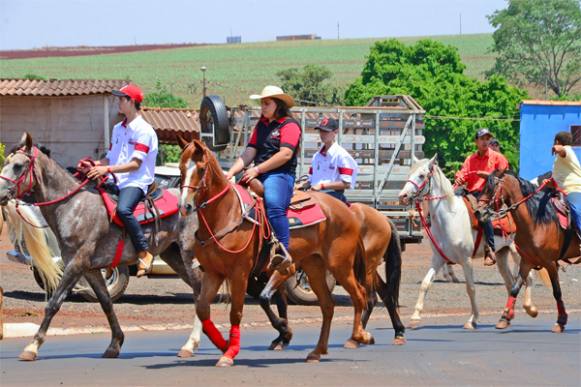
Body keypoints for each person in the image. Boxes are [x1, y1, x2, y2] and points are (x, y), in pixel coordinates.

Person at [225, 85, 301, 274]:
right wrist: (230, 172)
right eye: (262, 104)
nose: (263, 107)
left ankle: (283, 252)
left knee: (274, 205)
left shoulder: (290, 125)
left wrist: (257, 170)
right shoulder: (262, 125)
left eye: (267, 103)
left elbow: (285, 154)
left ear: (279, 105)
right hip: (257, 172)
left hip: (279, 174)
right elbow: (249, 151)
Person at [85, 83, 159, 277]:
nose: (118, 102)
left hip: (136, 181)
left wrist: (106, 169)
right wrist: (94, 164)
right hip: (116, 180)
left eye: (121, 98)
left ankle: (144, 252)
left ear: (131, 102)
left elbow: (135, 164)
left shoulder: (144, 131)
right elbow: (110, 157)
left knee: (123, 210)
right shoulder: (118, 128)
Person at [454, 128, 509, 266]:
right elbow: (463, 173)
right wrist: (460, 178)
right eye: (482, 139)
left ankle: (490, 249)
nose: (485, 142)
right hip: (471, 192)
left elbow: (504, 169)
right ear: (476, 141)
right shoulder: (470, 159)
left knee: (482, 212)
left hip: (488, 193)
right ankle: (452, 244)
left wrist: (489, 176)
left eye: (487, 139)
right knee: (453, 202)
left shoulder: (496, 157)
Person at [304, 117, 358, 203]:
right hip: (315, 195)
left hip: (333, 197)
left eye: (326, 131)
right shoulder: (316, 156)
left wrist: (322, 186)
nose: (322, 134)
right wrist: (300, 185)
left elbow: (347, 183)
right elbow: (310, 179)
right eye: (321, 131)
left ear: (335, 132)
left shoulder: (342, 155)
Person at [544, 131, 581, 236]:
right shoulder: (559, 161)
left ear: (557, 141)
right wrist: (549, 183)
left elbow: (563, 149)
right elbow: (558, 180)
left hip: (575, 189)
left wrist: (556, 148)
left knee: (576, 209)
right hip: (561, 191)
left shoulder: (568, 151)